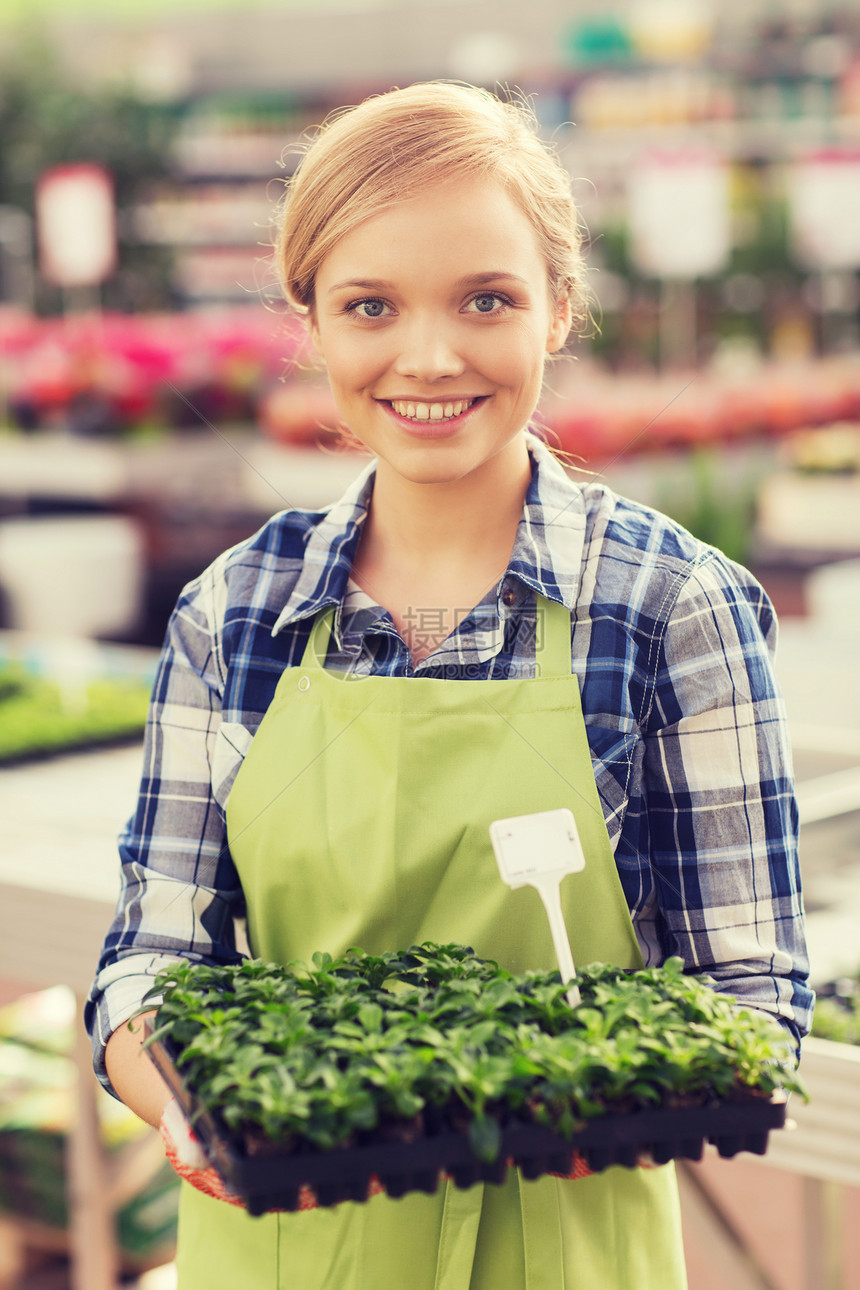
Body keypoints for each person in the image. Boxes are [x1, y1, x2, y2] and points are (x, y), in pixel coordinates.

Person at [86, 82, 812, 1290]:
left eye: (486, 298)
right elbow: (154, 953)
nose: (429, 356)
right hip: (282, 1247)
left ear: (557, 312)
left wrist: (579, 1098)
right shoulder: (236, 611)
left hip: (566, 1252)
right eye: (369, 304)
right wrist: (178, 1088)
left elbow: (748, 991)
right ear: (309, 324)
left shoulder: (670, 609)